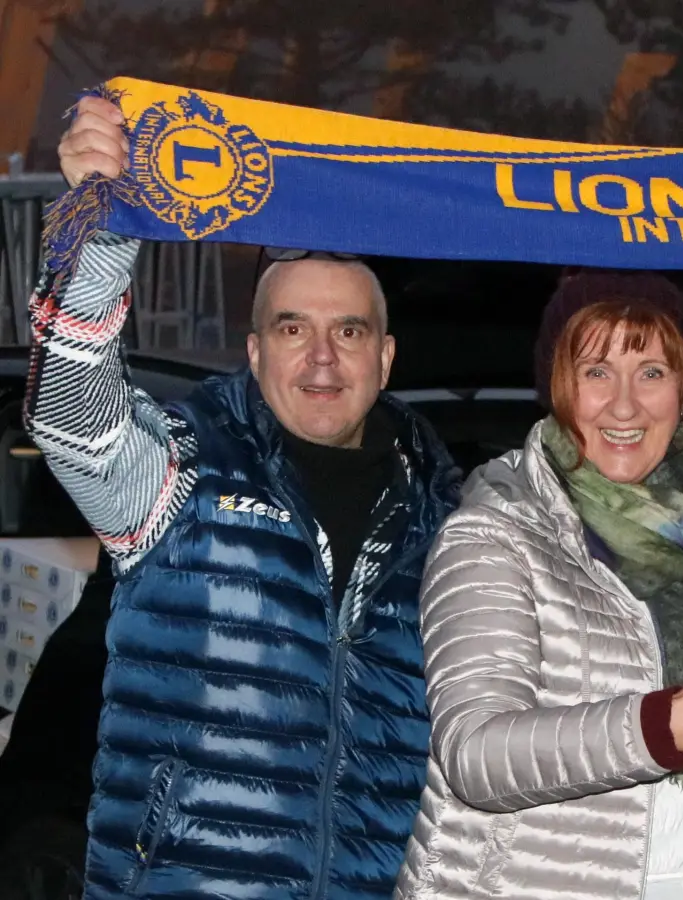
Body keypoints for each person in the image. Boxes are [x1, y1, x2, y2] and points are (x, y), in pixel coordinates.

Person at [27, 96, 460, 900]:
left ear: (386, 357)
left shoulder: (448, 527)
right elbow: (69, 417)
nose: (323, 359)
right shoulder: (180, 472)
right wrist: (106, 224)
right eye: (295, 330)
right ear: (256, 352)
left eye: (351, 332)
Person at [394, 271, 683, 900]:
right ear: (558, 389)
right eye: (596, 371)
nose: (625, 405)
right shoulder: (496, 534)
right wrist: (661, 728)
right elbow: (474, 753)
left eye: (652, 372)